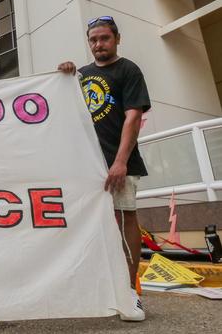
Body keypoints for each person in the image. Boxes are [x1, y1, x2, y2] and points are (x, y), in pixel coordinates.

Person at [58, 16, 151, 322]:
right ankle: (100, 288)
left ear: (117, 39)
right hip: (88, 167)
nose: (99, 44)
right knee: (91, 224)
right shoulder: (82, 76)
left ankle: (130, 292)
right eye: (93, 40)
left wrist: (121, 161)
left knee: (125, 219)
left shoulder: (129, 70)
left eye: (104, 38)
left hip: (118, 163)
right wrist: (65, 75)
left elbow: (133, 116)